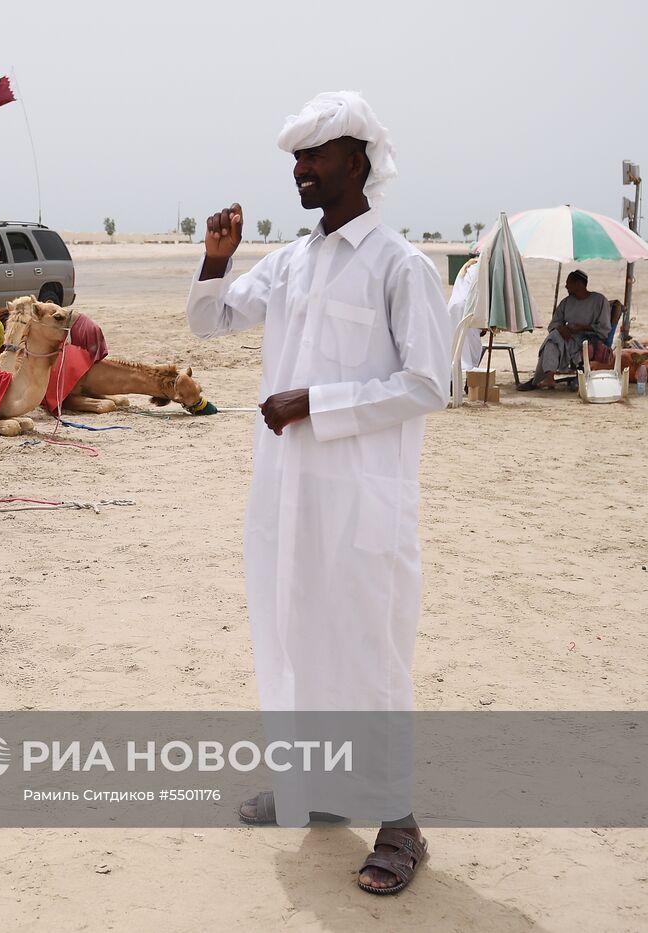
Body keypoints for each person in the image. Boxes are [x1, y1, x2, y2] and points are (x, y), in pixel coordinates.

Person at [187, 91, 449, 895]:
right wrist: (215, 260)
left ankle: (399, 823)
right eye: (295, 160)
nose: (300, 172)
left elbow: (428, 383)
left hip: (361, 498)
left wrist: (313, 401)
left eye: (314, 156)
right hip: (286, 494)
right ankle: (316, 786)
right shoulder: (294, 261)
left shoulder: (402, 265)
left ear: (358, 161)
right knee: (294, 634)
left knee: (368, 649)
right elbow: (211, 324)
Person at [517, 269, 611, 390]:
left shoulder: (599, 300)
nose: (566, 286)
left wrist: (582, 327)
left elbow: (604, 329)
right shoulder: (566, 302)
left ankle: (537, 379)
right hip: (569, 338)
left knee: (553, 338)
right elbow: (554, 324)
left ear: (578, 284)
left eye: (568, 283)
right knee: (552, 342)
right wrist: (562, 329)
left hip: (589, 340)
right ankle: (549, 379)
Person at [448, 256, 486, 375]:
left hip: (453, 308)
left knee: (455, 345)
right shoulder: (479, 270)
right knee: (472, 346)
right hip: (466, 308)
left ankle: (453, 379)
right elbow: (480, 294)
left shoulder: (466, 269)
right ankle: (470, 379)